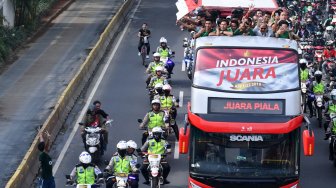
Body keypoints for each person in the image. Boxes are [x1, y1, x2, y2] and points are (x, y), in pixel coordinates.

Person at [324, 90, 336, 160]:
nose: (335, 98)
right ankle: (331, 155)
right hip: (331, 118)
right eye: (334, 97)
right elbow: (325, 110)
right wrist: (325, 113)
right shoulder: (329, 103)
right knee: (331, 143)